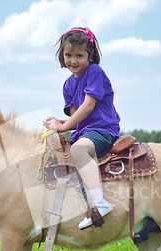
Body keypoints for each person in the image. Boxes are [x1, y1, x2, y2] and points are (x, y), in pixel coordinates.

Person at [43, 27, 121, 230]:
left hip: (102, 129)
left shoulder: (95, 72)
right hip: (84, 131)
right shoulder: (68, 85)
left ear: (90, 55)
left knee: (78, 149)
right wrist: (60, 123)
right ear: (62, 55)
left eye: (79, 55)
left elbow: (88, 106)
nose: (73, 60)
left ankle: (99, 203)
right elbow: (77, 117)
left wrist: (64, 126)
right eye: (69, 55)